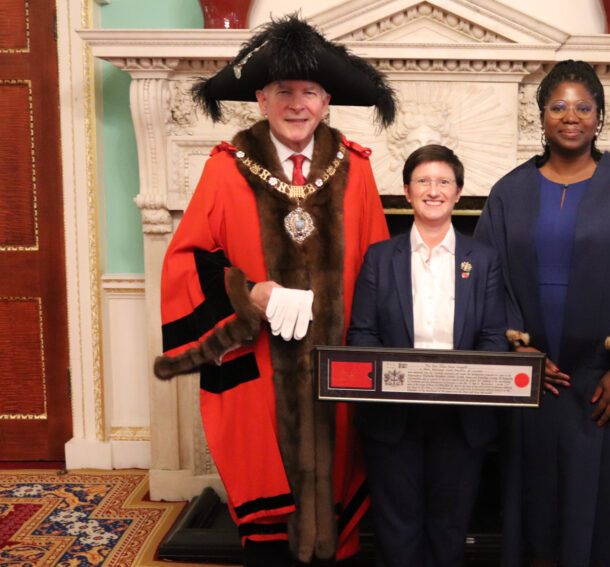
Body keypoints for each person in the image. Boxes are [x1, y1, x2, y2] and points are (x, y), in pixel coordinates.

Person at [152, 16, 395, 567]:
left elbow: (380, 269)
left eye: (309, 91)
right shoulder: (225, 170)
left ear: (327, 100)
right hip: (259, 369)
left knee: (338, 507)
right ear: (260, 99)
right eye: (283, 91)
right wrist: (250, 294)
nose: (296, 103)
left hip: (338, 371)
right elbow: (185, 264)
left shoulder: (355, 170)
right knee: (271, 529)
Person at [474, 60, 610, 567]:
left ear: (600, 116)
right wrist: (521, 352)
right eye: (558, 106)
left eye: (583, 107)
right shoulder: (509, 191)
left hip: (606, 379)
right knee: (539, 500)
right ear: (540, 118)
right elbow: (487, 274)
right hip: (539, 377)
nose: (571, 116)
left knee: (604, 501)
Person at [346, 145, 507, 567]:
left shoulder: (484, 260)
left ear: (458, 193)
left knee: (449, 526)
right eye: (423, 181)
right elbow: (361, 334)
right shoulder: (380, 258)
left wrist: (465, 384)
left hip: (461, 417)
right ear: (406, 192)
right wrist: (396, 382)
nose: (433, 190)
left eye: (443, 182)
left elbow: (493, 337)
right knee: (395, 527)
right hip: (393, 416)